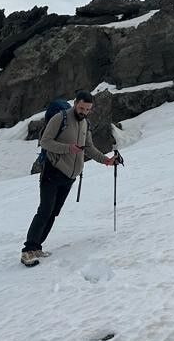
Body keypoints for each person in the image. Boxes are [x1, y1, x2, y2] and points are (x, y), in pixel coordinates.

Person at [21, 90, 118, 267]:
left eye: (87, 109)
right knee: (45, 211)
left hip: (69, 177)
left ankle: (37, 247)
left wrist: (106, 160)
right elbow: (45, 142)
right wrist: (68, 148)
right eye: (81, 108)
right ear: (75, 104)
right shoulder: (60, 118)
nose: (84, 112)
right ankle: (28, 251)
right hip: (52, 172)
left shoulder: (85, 123)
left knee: (53, 213)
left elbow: (89, 147)